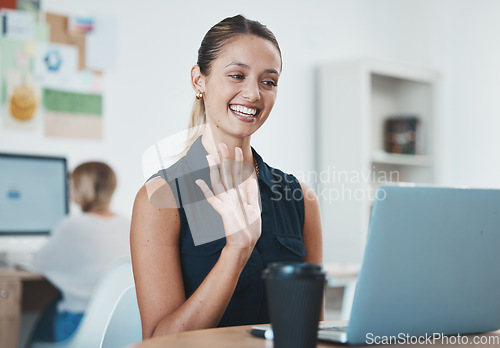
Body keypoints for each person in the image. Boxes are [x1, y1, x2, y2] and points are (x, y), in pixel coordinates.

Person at [131, 14, 323, 339]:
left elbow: (312, 328)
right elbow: (159, 340)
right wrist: (236, 250)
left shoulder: (300, 197)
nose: (253, 94)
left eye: (268, 81)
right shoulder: (160, 198)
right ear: (199, 80)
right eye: (237, 75)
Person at [32, 161, 130, 342]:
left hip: (80, 325)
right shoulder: (128, 224)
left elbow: (38, 263)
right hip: (122, 326)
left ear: (81, 188)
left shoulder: (73, 225)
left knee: (51, 308)